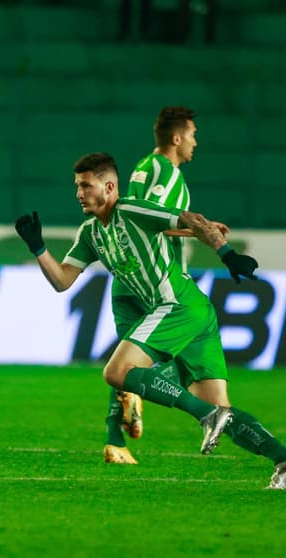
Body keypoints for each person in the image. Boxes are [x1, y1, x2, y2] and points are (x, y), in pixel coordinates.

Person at [14, 152, 286, 490]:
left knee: (116, 372)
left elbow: (190, 218)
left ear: (109, 186)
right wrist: (38, 248)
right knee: (221, 406)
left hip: (176, 305)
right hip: (194, 315)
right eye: (77, 186)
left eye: (86, 185)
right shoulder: (91, 233)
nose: (79, 193)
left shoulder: (132, 211)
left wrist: (229, 255)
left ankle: (206, 416)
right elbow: (63, 281)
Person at [102, 106, 230, 465]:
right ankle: (196, 412)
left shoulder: (144, 166)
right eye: (192, 135)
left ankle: (115, 442)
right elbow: (151, 221)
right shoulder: (168, 173)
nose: (195, 142)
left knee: (124, 365)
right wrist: (200, 230)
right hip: (157, 283)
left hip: (128, 277)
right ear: (176, 138)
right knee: (135, 366)